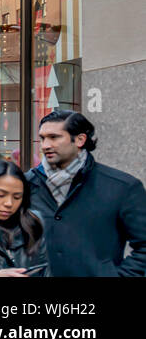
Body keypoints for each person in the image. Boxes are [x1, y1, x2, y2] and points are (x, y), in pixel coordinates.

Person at [25, 109, 146, 276]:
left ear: (80, 139)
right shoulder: (25, 184)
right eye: (42, 138)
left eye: (54, 137)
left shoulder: (123, 187)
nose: (45, 145)